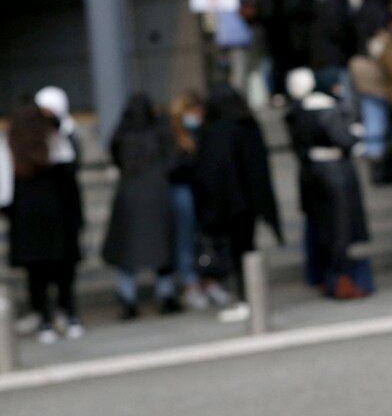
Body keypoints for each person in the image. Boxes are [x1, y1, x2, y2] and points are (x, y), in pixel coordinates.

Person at [0, 88, 84, 343]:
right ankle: (68, 315)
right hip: (58, 214)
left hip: (28, 216)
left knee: (37, 273)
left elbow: (4, 187)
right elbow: (69, 173)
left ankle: (45, 320)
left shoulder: (11, 140)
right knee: (62, 269)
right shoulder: (54, 137)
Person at [195, 84, 283, 321]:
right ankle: (251, 298)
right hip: (249, 202)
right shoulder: (248, 125)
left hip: (228, 204)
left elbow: (209, 172)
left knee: (237, 252)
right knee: (247, 248)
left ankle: (247, 298)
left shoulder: (215, 130)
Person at [284, 68, 371, 299]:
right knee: (340, 226)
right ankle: (341, 280)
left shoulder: (298, 111)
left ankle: (325, 277)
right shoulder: (327, 109)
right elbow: (343, 139)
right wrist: (355, 134)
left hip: (311, 172)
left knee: (322, 227)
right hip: (334, 172)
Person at [102, 93, 180, 320]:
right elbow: (172, 161)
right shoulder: (159, 130)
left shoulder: (122, 132)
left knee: (126, 253)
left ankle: (127, 299)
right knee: (161, 249)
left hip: (129, 196)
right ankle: (166, 296)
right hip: (157, 195)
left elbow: (114, 156)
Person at [169, 90, 228, 310]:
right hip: (182, 191)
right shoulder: (174, 135)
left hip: (202, 191)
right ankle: (190, 282)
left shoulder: (203, 133)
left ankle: (208, 279)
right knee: (186, 239)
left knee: (205, 238)